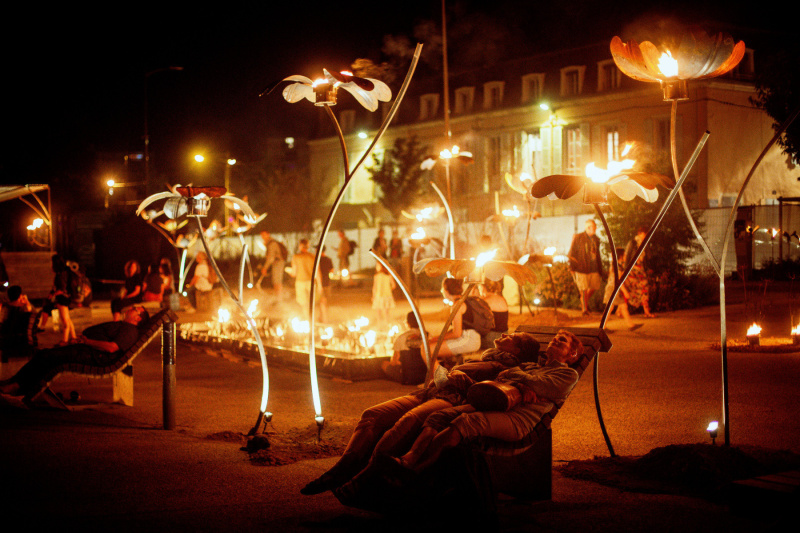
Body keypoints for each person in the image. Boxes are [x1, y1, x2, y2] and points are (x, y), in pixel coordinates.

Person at [331, 330, 583, 511]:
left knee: (454, 422)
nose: (554, 341)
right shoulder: (533, 366)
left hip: (515, 418)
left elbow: (531, 382)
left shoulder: (565, 372)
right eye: (554, 338)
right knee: (430, 417)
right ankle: (399, 463)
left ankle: (407, 473)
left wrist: (521, 380)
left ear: (571, 354)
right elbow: (515, 379)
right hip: (464, 398)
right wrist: (522, 381)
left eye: (561, 341)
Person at [299, 330, 544, 497]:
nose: (504, 335)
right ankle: (340, 469)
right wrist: (443, 370)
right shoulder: (486, 358)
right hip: (430, 391)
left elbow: (487, 397)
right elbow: (442, 377)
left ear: (519, 350)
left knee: (408, 420)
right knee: (372, 414)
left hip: (450, 400)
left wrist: (462, 380)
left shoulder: (510, 370)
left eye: (511, 337)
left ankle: (365, 478)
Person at [0, 306, 149, 401]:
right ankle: (15, 382)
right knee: (45, 354)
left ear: (137, 318)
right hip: (87, 349)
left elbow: (111, 348)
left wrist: (87, 342)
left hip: (95, 356)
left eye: (134, 309)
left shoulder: (130, 331)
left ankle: (18, 386)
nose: (130, 308)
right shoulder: (125, 326)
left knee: (47, 356)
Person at [430, 278, 481, 362]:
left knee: (428, 350)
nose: (441, 290)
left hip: (468, 340)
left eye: (442, 288)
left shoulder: (457, 305)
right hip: (471, 338)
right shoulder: (464, 300)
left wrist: (438, 339)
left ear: (446, 290)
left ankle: (438, 374)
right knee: (433, 346)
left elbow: (457, 333)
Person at [38, 254, 77, 346]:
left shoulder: (61, 274)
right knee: (68, 319)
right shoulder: (66, 271)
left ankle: (64, 341)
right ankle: (74, 338)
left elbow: (62, 289)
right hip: (66, 298)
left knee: (65, 321)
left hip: (63, 299)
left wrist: (53, 295)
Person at [568, 219, 604, 315]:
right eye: (593, 227)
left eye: (595, 227)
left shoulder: (596, 239)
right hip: (581, 267)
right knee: (583, 289)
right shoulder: (579, 237)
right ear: (588, 227)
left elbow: (597, 254)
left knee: (594, 286)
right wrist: (571, 267)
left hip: (594, 268)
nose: (595, 229)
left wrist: (600, 268)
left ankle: (584, 302)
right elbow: (572, 252)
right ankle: (585, 309)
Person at [381, 311, 425, 384]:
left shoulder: (401, 338)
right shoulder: (427, 335)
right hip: (425, 375)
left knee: (384, 364)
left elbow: (394, 362)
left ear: (407, 323)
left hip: (407, 377)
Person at [603, 249, 640, 331]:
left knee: (619, 307)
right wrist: (625, 291)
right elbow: (618, 281)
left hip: (611, 289)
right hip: (613, 289)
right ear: (620, 256)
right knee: (617, 307)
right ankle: (630, 325)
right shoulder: (618, 267)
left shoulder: (614, 265)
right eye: (624, 254)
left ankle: (631, 325)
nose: (626, 256)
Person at [623, 227, 656, 318]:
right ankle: (620, 310)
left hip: (640, 269)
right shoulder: (632, 243)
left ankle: (647, 312)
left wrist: (647, 245)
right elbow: (628, 255)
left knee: (644, 288)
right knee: (630, 290)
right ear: (640, 233)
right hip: (632, 269)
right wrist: (626, 270)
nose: (646, 236)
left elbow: (649, 257)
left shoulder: (645, 244)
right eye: (645, 234)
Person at [478, 279, 509, 349]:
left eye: (479, 288)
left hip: (491, 338)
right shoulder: (502, 299)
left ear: (483, 288)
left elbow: (479, 323)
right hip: (504, 336)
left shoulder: (485, 301)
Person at [290, 239, 316, 317]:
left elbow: (294, 273)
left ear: (300, 246)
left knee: (303, 303)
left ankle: (306, 317)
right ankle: (312, 318)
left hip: (300, 281)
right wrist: (320, 285)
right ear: (308, 246)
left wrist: (290, 273)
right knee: (311, 302)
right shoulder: (312, 256)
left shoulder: (296, 257)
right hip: (311, 282)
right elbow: (317, 271)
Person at [260, 231, 285, 299]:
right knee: (276, 281)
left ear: (268, 234)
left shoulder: (272, 243)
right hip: (276, 263)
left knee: (277, 281)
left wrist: (265, 268)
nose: (263, 237)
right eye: (262, 235)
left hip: (278, 263)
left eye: (264, 235)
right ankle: (278, 298)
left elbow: (271, 257)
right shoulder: (269, 243)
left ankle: (279, 298)